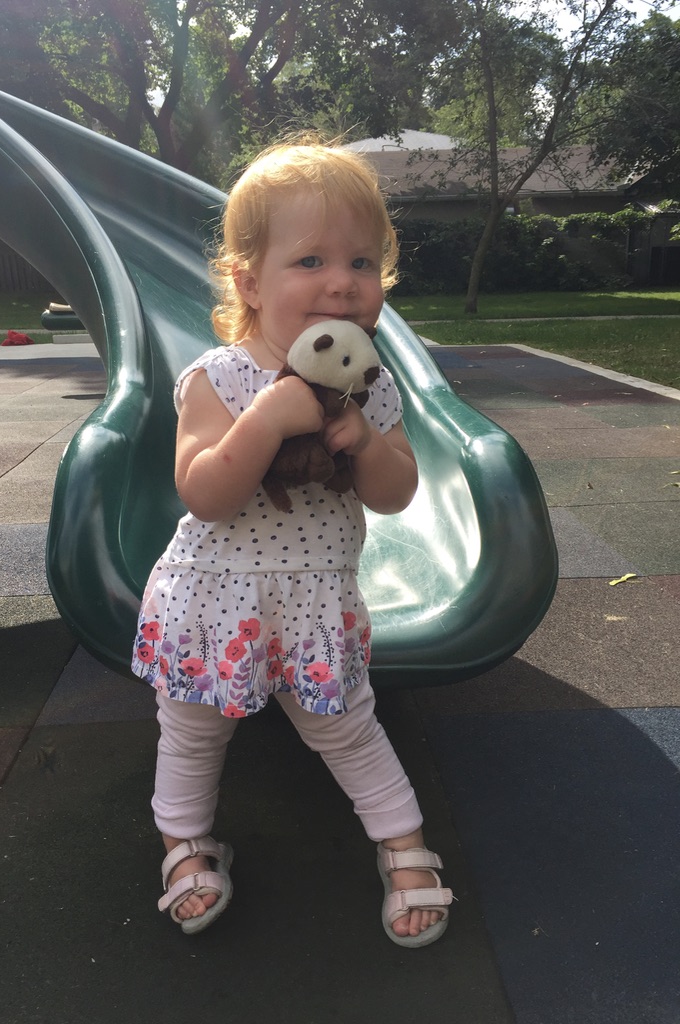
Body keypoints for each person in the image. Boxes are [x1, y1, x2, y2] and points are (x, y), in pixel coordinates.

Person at [132, 137, 453, 947]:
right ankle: (185, 844)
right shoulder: (218, 378)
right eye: (310, 260)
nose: (342, 281)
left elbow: (397, 493)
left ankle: (403, 843)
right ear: (250, 282)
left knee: (346, 726)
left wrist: (365, 441)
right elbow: (204, 493)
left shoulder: (371, 386)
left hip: (314, 603)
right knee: (194, 729)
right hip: (213, 599)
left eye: (361, 262)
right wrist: (267, 419)